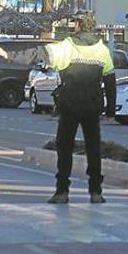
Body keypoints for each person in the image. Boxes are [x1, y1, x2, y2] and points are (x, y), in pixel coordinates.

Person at [45, 17, 116, 204]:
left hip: (69, 104)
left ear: (79, 26)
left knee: (64, 147)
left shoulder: (67, 46)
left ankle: (62, 191)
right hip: (92, 105)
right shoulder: (102, 50)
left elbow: (45, 56)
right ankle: (95, 191)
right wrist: (110, 111)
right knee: (93, 148)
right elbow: (110, 81)